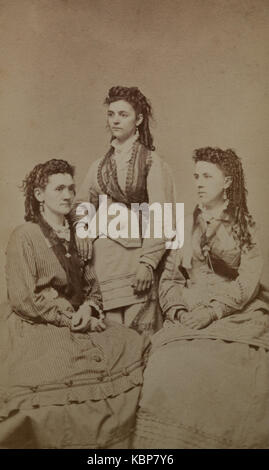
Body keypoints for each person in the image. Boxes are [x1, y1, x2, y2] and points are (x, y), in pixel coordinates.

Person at [0, 159, 148, 449]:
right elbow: (25, 297)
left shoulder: (78, 235)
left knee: (132, 343)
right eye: (59, 188)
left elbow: (92, 287)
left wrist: (89, 308)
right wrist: (71, 318)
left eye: (71, 188)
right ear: (39, 195)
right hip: (35, 322)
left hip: (78, 317)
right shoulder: (24, 236)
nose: (67, 195)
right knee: (51, 379)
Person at [134, 147, 269, 449]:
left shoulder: (245, 224)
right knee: (167, 367)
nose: (199, 182)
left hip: (233, 313)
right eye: (196, 176)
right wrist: (179, 312)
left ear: (227, 182)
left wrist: (215, 311)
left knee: (236, 372)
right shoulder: (184, 224)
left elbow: (248, 279)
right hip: (188, 311)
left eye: (207, 176)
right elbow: (169, 278)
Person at [71, 86, 176, 337]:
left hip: (135, 261)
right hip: (103, 264)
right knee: (110, 338)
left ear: (138, 119)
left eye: (123, 114)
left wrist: (148, 263)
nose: (115, 120)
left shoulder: (152, 162)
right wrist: (82, 229)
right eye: (111, 114)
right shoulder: (99, 165)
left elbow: (162, 215)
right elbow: (81, 204)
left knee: (138, 339)